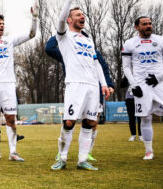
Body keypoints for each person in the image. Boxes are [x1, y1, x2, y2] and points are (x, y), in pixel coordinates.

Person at [50, 0, 109, 171]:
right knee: (69, 121)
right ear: (69, 19)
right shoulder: (64, 36)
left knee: (90, 122)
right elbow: (60, 20)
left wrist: (104, 84)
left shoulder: (88, 40)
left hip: (92, 85)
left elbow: (96, 63)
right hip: (75, 85)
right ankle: (62, 157)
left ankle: (82, 160)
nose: (81, 17)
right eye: (77, 14)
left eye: (82, 14)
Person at [0, 4, 38, 162]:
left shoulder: (10, 40)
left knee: (11, 118)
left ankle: (13, 152)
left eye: (3, 23)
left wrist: (34, 17)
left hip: (8, 84)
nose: (2, 25)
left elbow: (31, 34)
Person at [45, 30, 114, 161]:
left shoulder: (93, 52)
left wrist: (109, 85)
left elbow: (103, 68)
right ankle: (62, 153)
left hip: (93, 89)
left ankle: (86, 152)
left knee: (92, 122)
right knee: (70, 121)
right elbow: (49, 48)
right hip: (75, 88)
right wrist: (61, 35)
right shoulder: (68, 51)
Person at [121, 16, 163, 160]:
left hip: (160, 83)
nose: (149, 26)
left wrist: (159, 77)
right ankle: (149, 151)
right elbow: (126, 67)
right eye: (144, 24)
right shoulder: (130, 43)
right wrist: (133, 84)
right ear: (137, 27)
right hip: (141, 85)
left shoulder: (161, 40)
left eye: (150, 23)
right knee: (145, 118)